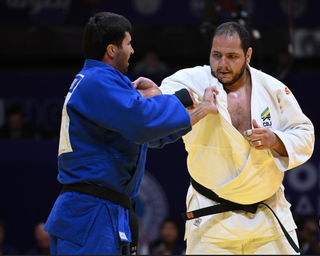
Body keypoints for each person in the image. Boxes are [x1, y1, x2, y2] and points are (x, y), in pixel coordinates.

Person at [43, 12, 218, 255]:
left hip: (103, 211)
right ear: (112, 50)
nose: (133, 50)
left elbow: (148, 134)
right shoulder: (97, 80)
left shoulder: (102, 82)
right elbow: (142, 121)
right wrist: (172, 101)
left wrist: (199, 111)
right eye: (128, 43)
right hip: (90, 213)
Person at [156, 21, 315, 254]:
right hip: (211, 217)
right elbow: (162, 100)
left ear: (248, 55)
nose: (222, 64)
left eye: (232, 56)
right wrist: (165, 97)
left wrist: (276, 140)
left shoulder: (273, 89)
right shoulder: (194, 81)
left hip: (267, 216)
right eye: (216, 55)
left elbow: (304, 134)